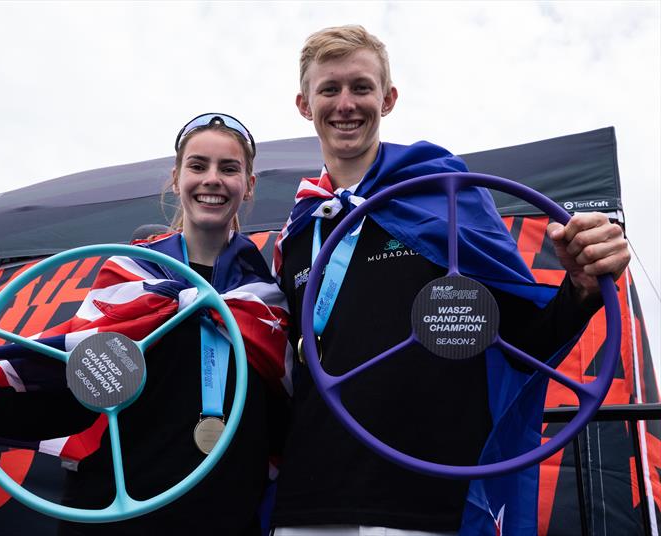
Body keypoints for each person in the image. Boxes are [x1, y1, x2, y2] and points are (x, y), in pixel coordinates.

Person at [270, 26, 630, 536]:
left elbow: (526, 337)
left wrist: (583, 287)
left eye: (361, 87)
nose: (345, 104)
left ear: (388, 99)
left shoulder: (447, 195)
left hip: (428, 503)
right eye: (329, 89)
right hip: (310, 504)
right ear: (305, 104)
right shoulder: (299, 231)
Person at [0, 113, 291, 535]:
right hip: (118, 513)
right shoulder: (128, 277)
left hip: (224, 519)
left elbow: (280, 424)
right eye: (198, 166)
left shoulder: (267, 299)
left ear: (248, 184)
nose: (212, 179)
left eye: (228, 168)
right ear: (177, 178)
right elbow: (75, 398)